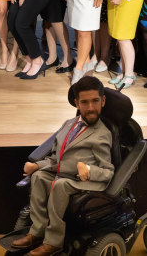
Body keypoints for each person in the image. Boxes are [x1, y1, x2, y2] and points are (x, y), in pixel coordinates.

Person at [12, 77, 114, 256]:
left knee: (60, 185)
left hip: (85, 182)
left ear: (103, 101)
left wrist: (88, 169)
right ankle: (37, 231)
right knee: (39, 177)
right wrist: (38, 166)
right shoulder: (69, 124)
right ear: (76, 103)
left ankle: (53, 242)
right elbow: (56, 158)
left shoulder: (102, 134)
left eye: (95, 101)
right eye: (85, 102)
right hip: (64, 174)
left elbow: (108, 171)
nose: (90, 108)